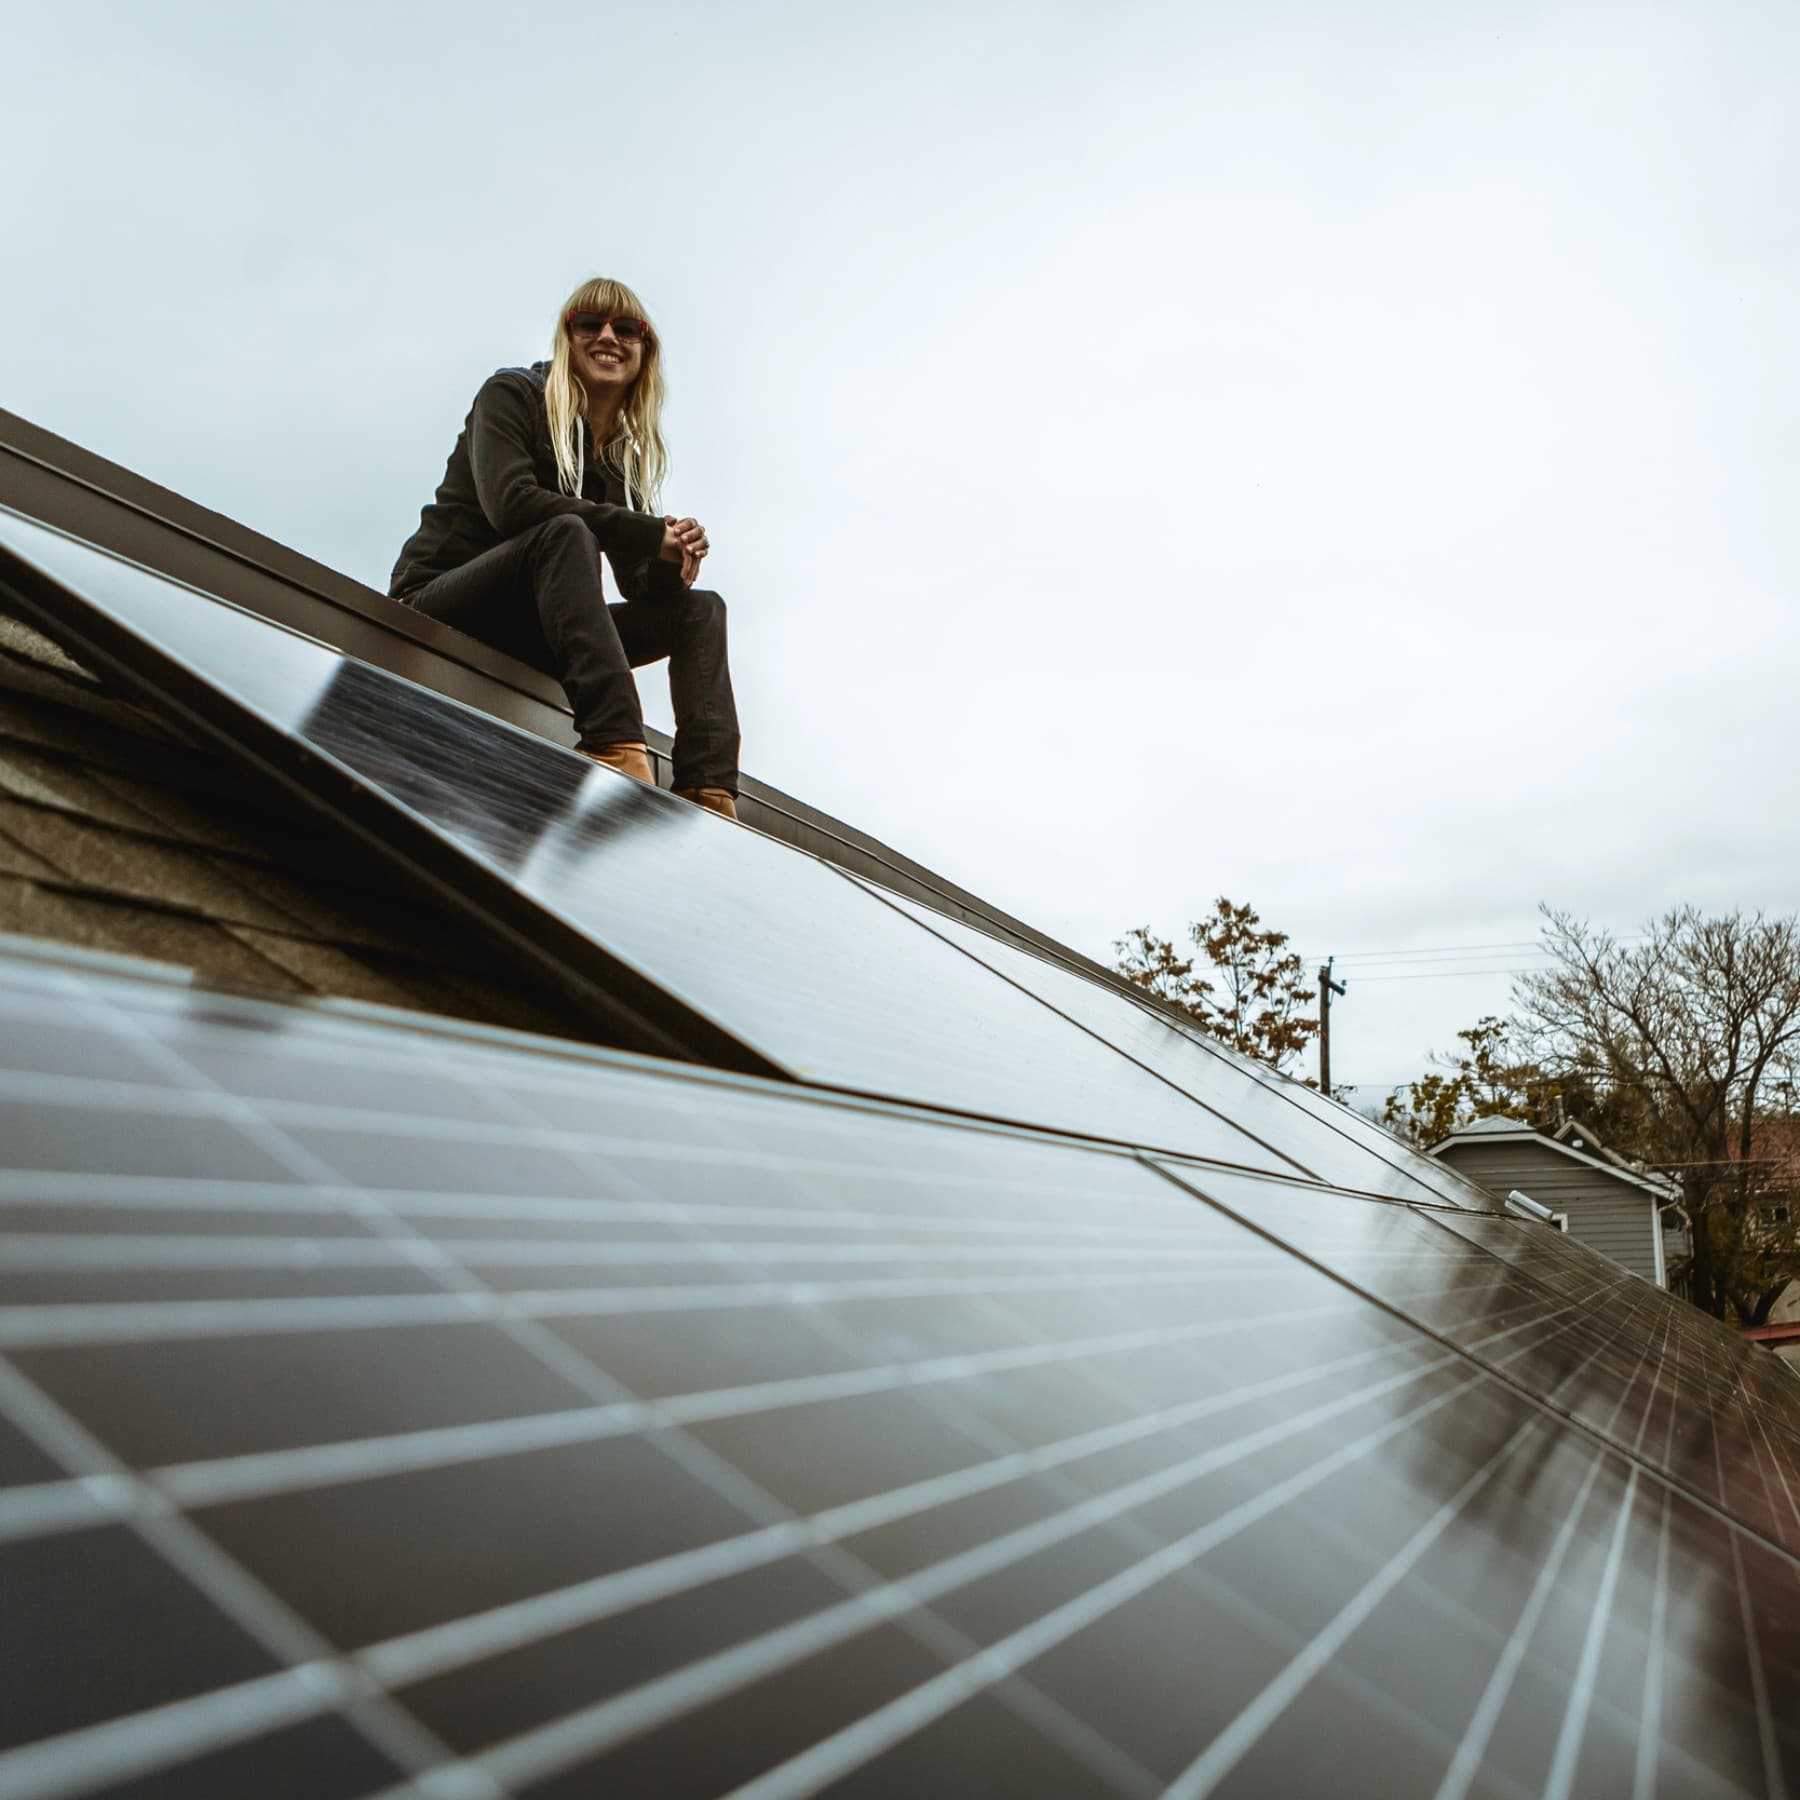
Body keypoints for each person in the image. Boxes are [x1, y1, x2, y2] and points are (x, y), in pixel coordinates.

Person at [389, 277, 740, 819]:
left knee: (701, 610)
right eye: (589, 324)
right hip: (441, 603)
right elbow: (513, 505)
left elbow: (638, 586)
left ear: (644, 352)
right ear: (566, 337)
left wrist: (673, 557)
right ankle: (616, 744)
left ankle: (708, 791)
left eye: (627, 328)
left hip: (538, 632)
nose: (608, 336)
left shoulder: (619, 458)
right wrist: (647, 532)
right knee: (565, 533)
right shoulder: (512, 395)